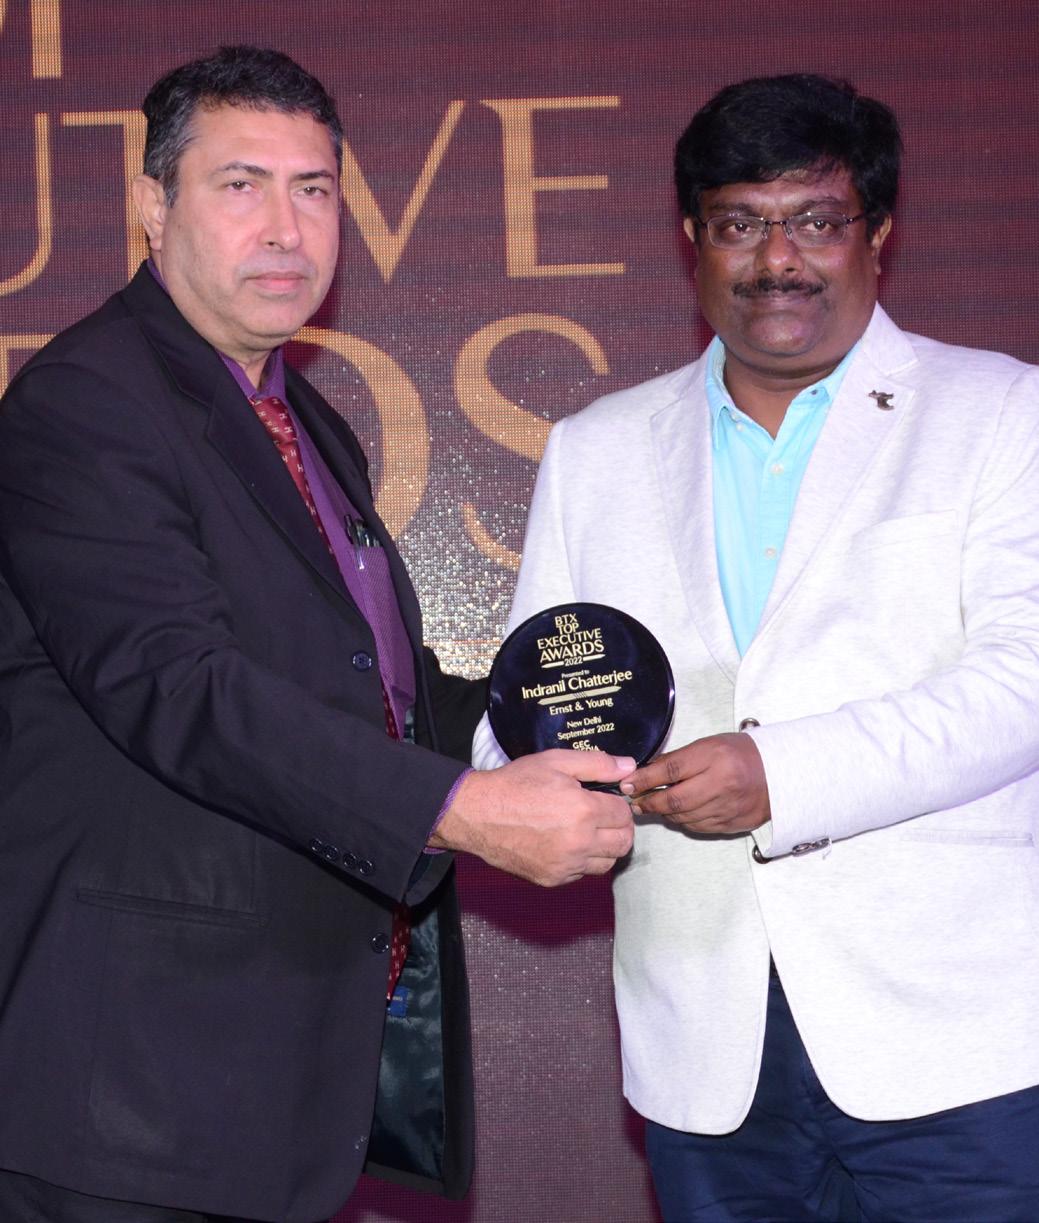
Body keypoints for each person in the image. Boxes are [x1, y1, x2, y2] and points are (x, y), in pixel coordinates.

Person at [0, 46, 636, 1223]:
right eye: (240, 185)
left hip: (256, 1090)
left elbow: (375, 686)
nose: (285, 229)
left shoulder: (300, 419)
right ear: (152, 207)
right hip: (125, 1100)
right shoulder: (87, 402)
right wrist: (463, 808)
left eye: (314, 189)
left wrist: (582, 718)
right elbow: (179, 686)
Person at [473, 73, 1039, 1220]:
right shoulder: (596, 449)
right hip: (702, 1046)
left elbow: (1019, 684)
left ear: (876, 232)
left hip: (957, 1043)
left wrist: (780, 772)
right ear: (693, 240)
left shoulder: (999, 413)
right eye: (739, 223)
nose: (777, 259)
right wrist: (532, 785)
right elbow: (527, 705)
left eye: (816, 221)